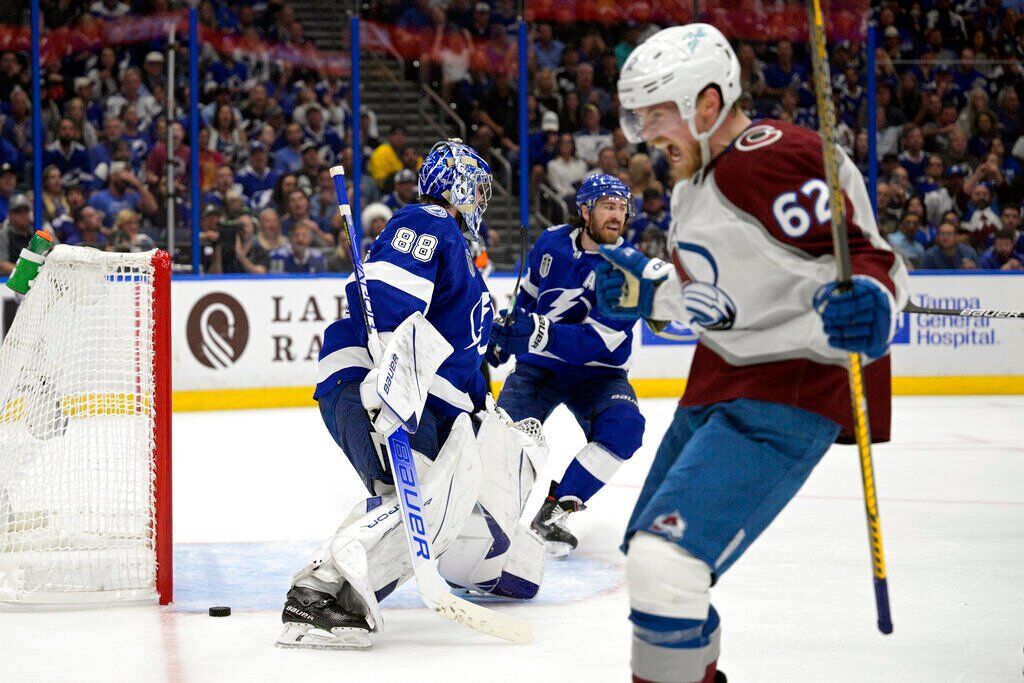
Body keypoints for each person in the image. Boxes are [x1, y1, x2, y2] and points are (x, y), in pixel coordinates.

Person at [598, 24, 910, 683]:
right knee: (657, 571)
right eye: (638, 117)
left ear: (705, 106)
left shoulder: (770, 157)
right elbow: (719, 295)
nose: (646, 134)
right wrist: (649, 293)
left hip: (785, 390)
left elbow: (871, 259)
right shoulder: (696, 184)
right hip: (720, 384)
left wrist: (876, 303)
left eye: (657, 114)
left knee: (666, 565)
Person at [278, 139, 547, 649]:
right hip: (381, 388)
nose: (482, 203)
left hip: (426, 406)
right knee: (419, 506)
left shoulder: (463, 259)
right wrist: (394, 379)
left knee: (441, 517)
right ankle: (320, 593)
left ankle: (366, 582)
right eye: (478, 190)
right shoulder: (428, 221)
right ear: (460, 186)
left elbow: (458, 348)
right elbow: (385, 302)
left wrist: (496, 341)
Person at [488, 174, 645, 558]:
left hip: (599, 374)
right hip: (538, 368)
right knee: (500, 441)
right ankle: (482, 517)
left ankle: (556, 510)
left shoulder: (630, 270)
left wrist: (536, 330)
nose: (617, 215)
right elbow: (526, 296)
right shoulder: (552, 241)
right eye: (609, 205)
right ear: (585, 209)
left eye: (622, 208)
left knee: (625, 428)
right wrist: (506, 332)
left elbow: (595, 342)